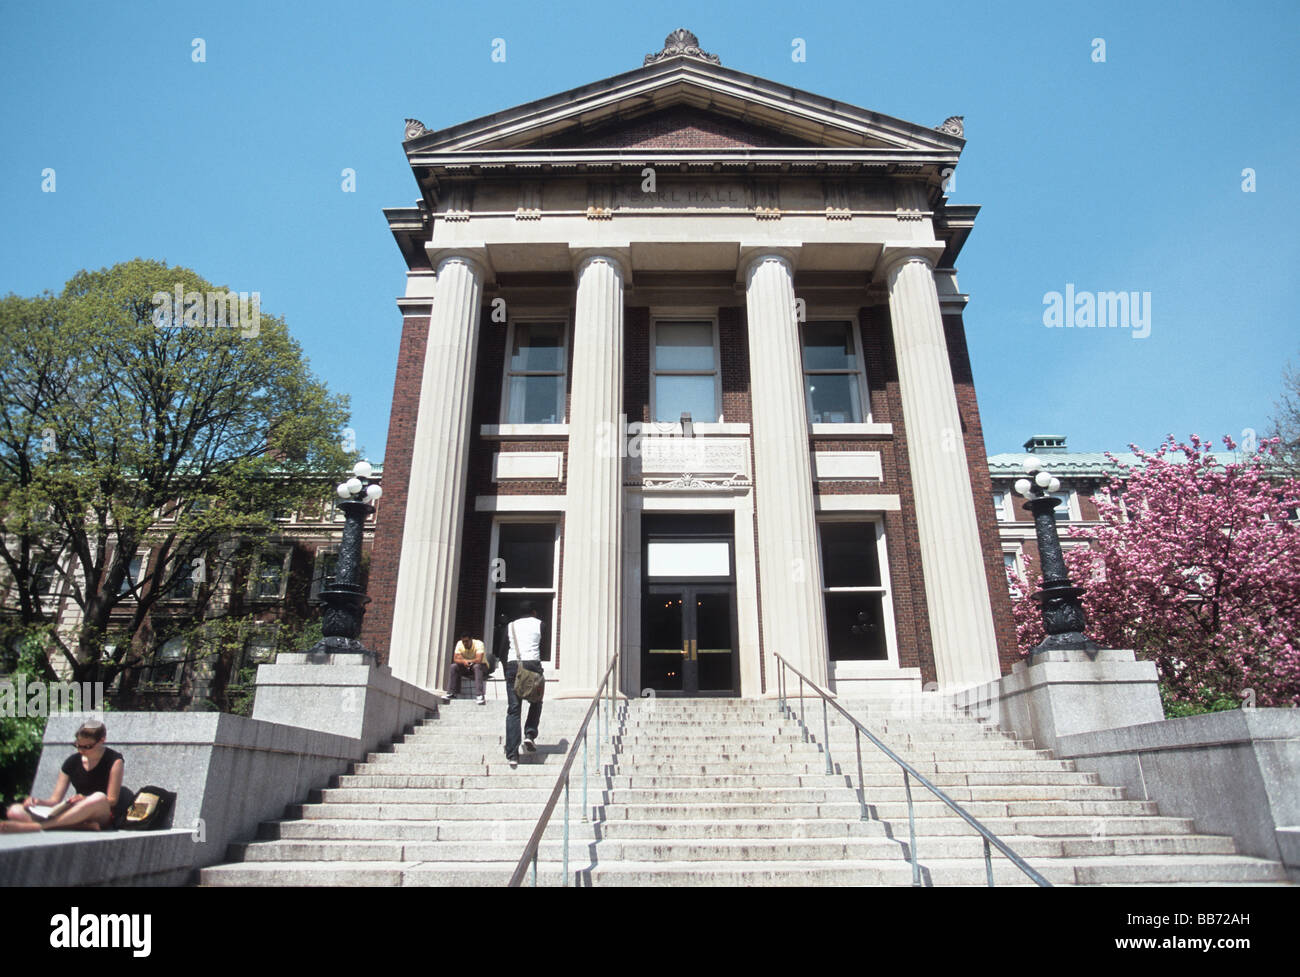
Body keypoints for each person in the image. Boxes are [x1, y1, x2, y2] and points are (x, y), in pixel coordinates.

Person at [1, 719, 124, 833]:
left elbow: (112, 800)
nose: (81, 751)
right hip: (74, 810)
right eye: (78, 745)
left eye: (87, 747)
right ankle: (78, 826)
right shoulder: (72, 762)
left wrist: (85, 798)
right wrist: (38, 801)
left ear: (102, 740)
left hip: (100, 810)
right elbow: (55, 800)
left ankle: (41, 826)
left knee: (99, 797)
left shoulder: (114, 760)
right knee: (15, 811)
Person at [503, 603, 543, 769]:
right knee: (536, 701)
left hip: (513, 664)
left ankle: (512, 754)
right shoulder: (540, 623)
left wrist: (506, 671)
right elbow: (544, 645)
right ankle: (530, 733)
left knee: (514, 709)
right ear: (533, 612)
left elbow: (502, 649)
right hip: (532, 664)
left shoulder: (510, 626)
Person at [443, 633, 487, 705]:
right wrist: (463, 661)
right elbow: (455, 659)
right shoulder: (460, 644)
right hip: (467, 666)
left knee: (477, 666)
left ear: (471, 640)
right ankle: (452, 693)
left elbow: (479, 660)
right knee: (453, 667)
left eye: (466, 641)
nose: (465, 643)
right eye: (463, 641)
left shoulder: (479, 644)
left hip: (482, 667)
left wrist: (466, 661)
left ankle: (480, 695)